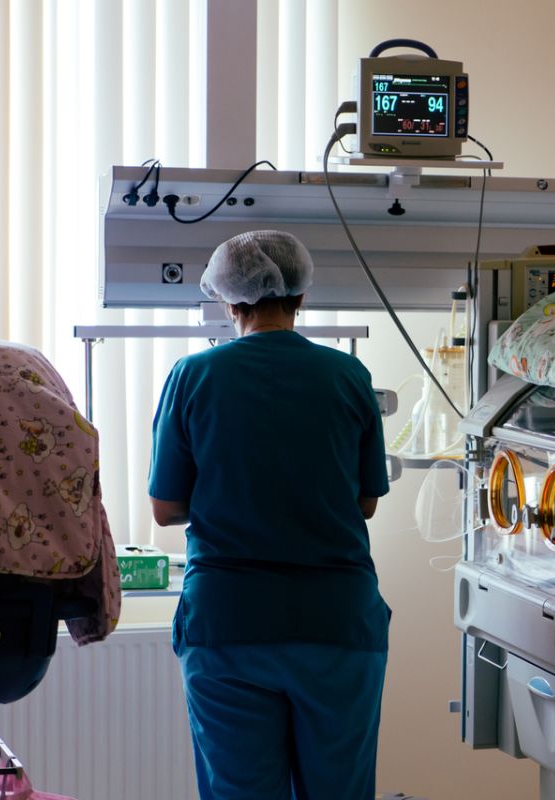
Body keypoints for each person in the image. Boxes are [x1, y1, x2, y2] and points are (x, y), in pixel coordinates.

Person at [148, 230, 390, 800]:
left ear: (228, 301)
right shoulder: (348, 376)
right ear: (301, 296)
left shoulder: (193, 376)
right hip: (337, 624)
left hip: (229, 623)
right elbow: (366, 502)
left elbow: (166, 509)